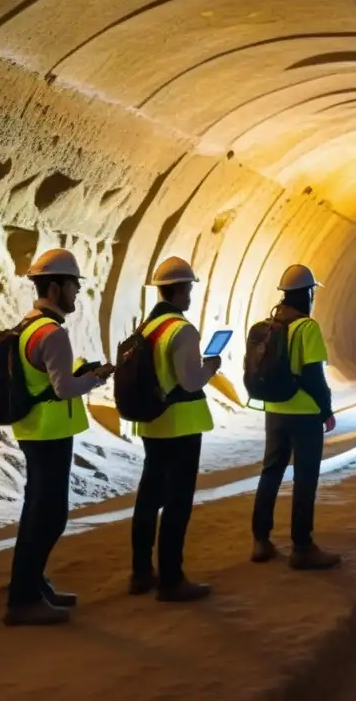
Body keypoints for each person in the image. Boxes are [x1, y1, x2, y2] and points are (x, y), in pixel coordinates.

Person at [5, 249, 114, 627]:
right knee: (49, 516)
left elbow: (49, 380)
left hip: (36, 430)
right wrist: (97, 378)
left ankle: (34, 585)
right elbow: (64, 388)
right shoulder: (52, 332)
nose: (76, 293)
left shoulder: (29, 327)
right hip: (49, 433)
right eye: (73, 286)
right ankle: (23, 599)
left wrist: (83, 372)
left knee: (38, 511)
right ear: (55, 287)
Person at [128, 256, 222, 601]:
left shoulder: (147, 328)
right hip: (181, 428)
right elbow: (190, 379)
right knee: (177, 503)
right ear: (182, 290)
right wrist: (210, 367)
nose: (190, 296)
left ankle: (140, 573)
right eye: (189, 289)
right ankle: (171, 579)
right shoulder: (181, 329)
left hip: (152, 424)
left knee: (148, 499)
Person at [250, 264, 341, 569]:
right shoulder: (306, 327)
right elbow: (314, 375)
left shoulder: (272, 324)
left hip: (275, 410)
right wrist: (326, 410)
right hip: (303, 413)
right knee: (304, 478)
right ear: (308, 293)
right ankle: (302, 547)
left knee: (271, 472)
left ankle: (260, 540)